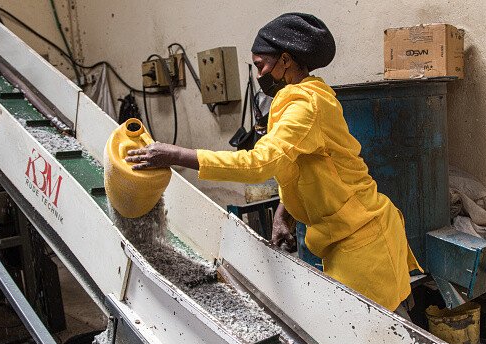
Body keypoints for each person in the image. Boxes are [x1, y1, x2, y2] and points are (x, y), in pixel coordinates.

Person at [126, 12, 422, 314]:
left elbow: (259, 164)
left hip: (363, 245)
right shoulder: (301, 98)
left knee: (385, 341)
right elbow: (293, 164)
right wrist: (284, 215)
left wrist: (174, 155)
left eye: (261, 66)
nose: (259, 76)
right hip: (349, 237)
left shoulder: (305, 104)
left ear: (285, 60)